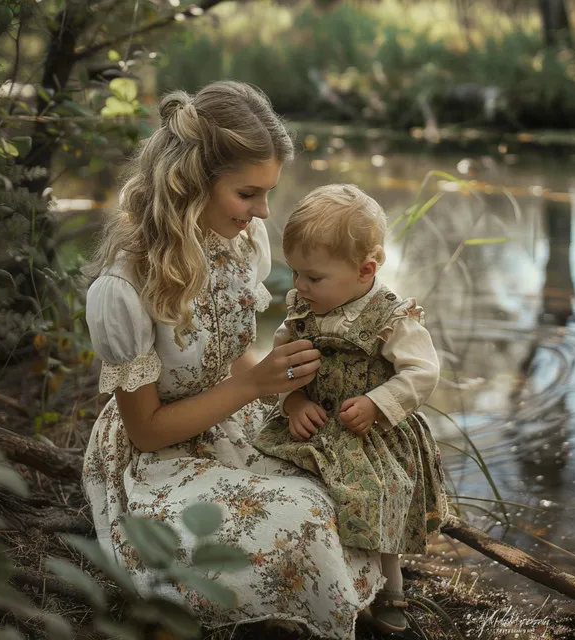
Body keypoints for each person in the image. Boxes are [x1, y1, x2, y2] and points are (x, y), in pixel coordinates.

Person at [82, 82, 388, 640]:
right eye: (248, 194)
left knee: (346, 477)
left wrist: (291, 387)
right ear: (193, 180)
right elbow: (146, 430)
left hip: (231, 421)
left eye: (267, 193)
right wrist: (255, 385)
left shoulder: (243, 243)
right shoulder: (124, 289)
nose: (263, 211)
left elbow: (230, 355)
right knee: (302, 516)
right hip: (157, 459)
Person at [253, 184, 448, 634]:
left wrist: (380, 404)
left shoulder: (392, 319)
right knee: (286, 487)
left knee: (378, 497)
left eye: (313, 277)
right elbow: (282, 364)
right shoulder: (303, 309)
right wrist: (294, 399)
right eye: (295, 272)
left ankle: (389, 589)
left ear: (366, 269)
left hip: (368, 432)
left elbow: (423, 373)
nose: (299, 285)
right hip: (314, 424)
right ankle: (314, 577)